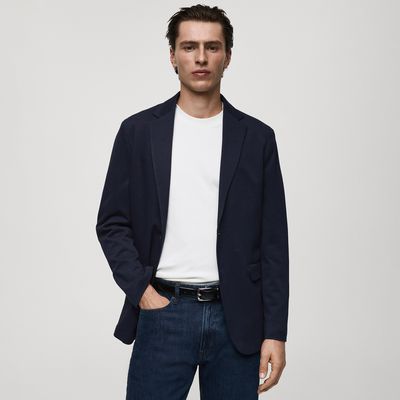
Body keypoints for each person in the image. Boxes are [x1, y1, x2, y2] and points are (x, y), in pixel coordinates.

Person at [96, 4, 289, 399]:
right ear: (173, 56)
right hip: (164, 312)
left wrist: (275, 332)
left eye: (212, 47)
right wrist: (142, 291)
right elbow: (112, 222)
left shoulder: (257, 139)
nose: (201, 58)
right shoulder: (138, 132)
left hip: (236, 318)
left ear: (227, 57)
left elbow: (273, 242)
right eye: (189, 47)